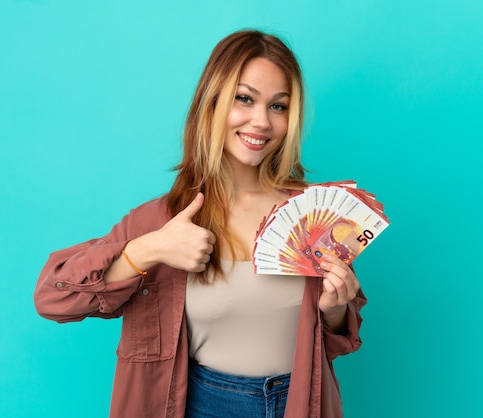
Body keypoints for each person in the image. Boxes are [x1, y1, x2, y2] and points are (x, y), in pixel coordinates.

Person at [34, 29, 367, 418]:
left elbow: (335, 343)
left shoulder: (314, 215)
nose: (261, 121)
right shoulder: (164, 219)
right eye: (244, 99)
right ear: (212, 103)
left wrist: (335, 309)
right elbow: (53, 298)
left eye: (279, 106)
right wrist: (150, 249)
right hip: (204, 404)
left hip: (300, 403)